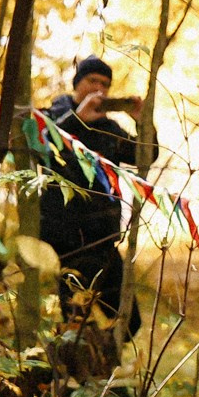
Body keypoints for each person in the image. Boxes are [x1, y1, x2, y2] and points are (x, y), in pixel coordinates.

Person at [37, 57, 139, 340]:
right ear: (77, 84)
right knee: (78, 321)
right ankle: (80, 381)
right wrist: (78, 120)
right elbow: (43, 145)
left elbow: (144, 155)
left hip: (104, 239)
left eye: (105, 84)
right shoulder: (53, 116)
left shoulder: (109, 127)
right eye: (92, 81)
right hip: (68, 241)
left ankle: (100, 374)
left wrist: (143, 123)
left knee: (129, 319)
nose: (99, 89)